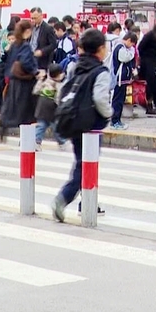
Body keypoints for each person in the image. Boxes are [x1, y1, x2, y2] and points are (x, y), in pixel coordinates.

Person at [52, 29, 113, 223]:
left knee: (83, 162)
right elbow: (100, 98)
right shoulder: (101, 72)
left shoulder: (75, 66)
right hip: (92, 125)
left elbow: (63, 91)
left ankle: (88, 202)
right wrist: (109, 114)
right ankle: (64, 197)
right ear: (101, 49)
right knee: (86, 165)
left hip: (74, 122)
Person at [0, 19, 40, 129]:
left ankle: (6, 125)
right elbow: (26, 62)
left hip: (13, 81)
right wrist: (35, 71)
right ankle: (26, 141)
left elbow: (9, 62)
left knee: (16, 110)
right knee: (27, 114)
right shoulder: (25, 46)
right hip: (25, 83)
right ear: (27, 31)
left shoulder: (14, 45)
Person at [33, 63, 67, 151]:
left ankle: (36, 142)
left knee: (41, 126)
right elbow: (58, 98)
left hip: (41, 106)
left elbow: (35, 91)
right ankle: (62, 142)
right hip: (52, 109)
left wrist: (40, 81)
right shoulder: (57, 84)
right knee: (55, 126)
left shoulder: (44, 81)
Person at [109, 32, 137, 130]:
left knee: (120, 100)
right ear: (128, 40)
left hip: (123, 79)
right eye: (132, 44)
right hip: (119, 79)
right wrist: (132, 52)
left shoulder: (123, 47)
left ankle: (117, 120)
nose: (132, 47)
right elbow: (124, 58)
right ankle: (115, 121)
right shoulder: (120, 47)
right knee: (118, 101)